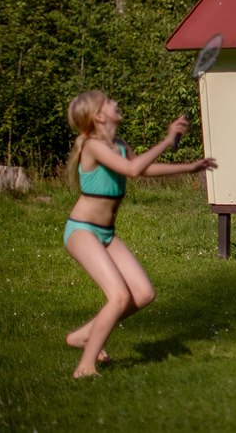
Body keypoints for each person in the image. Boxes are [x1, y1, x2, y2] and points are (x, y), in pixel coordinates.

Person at [62, 90, 217, 378]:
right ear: (98, 116)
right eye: (109, 102)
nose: (115, 103)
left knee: (143, 294)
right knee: (119, 296)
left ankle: (84, 335)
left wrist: (191, 166)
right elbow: (133, 170)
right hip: (82, 230)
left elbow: (143, 169)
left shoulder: (118, 144)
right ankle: (85, 366)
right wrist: (167, 140)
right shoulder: (94, 146)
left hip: (106, 232)